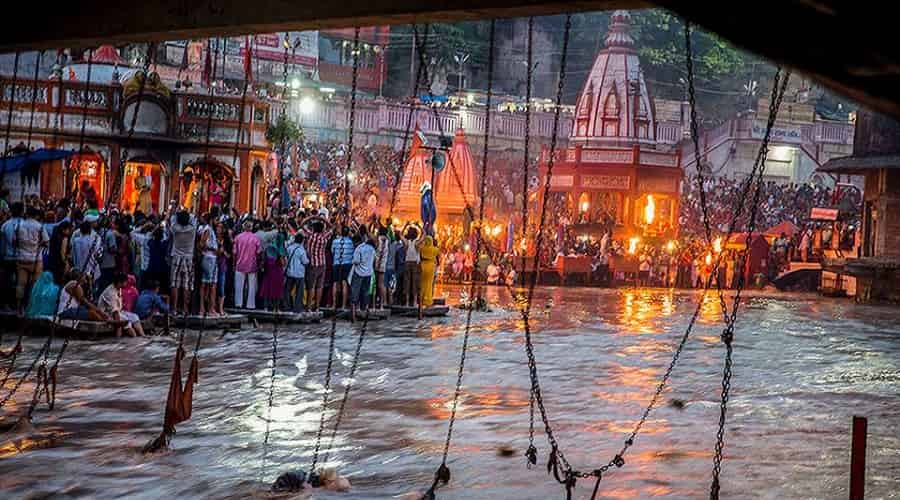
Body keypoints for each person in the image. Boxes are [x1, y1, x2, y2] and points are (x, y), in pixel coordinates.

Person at [13, 206, 49, 313]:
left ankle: (19, 307)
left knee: (21, 284)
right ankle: (31, 307)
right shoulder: (39, 226)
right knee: (34, 285)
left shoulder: (18, 225)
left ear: (26, 214)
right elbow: (47, 242)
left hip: (21, 258)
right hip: (36, 259)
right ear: (36, 215)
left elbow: (14, 242)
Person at [99, 272, 145, 337]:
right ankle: (133, 337)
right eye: (125, 282)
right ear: (120, 282)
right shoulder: (111, 293)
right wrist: (119, 324)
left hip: (119, 311)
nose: (126, 283)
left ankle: (143, 335)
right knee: (126, 320)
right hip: (107, 313)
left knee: (135, 316)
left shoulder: (118, 288)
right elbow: (115, 312)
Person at [301, 216, 332, 312]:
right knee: (319, 286)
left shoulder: (310, 235)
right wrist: (323, 220)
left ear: (313, 228)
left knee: (311, 286)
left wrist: (312, 217)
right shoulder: (324, 237)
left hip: (312, 264)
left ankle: (309, 307)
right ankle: (317, 307)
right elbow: (331, 227)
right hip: (322, 264)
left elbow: (302, 224)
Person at [169, 210, 197, 315]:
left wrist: (176, 214)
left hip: (176, 257)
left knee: (175, 284)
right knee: (187, 284)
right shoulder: (192, 229)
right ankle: (185, 309)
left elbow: (172, 220)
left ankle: (174, 308)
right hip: (188, 257)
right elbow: (193, 217)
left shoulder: (175, 229)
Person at [233, 221, 262, 310]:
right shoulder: (255, 238)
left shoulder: (238, 237)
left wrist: (234, 264)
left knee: (239, 285)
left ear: (243, 227)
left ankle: (238, 303)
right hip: (252, 265)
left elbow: (234, 252)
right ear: (251, 227)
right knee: (252, 286)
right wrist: (259, 263)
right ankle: (251, 305)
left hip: (240, 264)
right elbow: (259, 252)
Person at [349, 236, 376, 322]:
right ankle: (365, 313)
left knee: (354, 294)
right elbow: (374, 260)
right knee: (365, 293)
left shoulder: (359, 249)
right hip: (368, 273)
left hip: (359, 273)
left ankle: (353, 316)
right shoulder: (372, 249)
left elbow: (356, 261)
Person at [197, 213, 219, 316]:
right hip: (209, 258)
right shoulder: (208, 230)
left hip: (212, 258)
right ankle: (207, 308)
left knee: (211, 284)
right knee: (208, 284)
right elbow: (201, 244)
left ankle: (209, 308)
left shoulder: (209, 230)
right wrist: (212, 249)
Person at [260, 229, 287, 311]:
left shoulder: (267, 247)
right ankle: (276, 308)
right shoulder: (281, 248)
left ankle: (266, 307)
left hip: (268, 271)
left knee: (267, 288)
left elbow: (263, 259)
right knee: (277, 290)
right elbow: (283, 263)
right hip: (277, 271)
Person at [331, 225, 354, 310]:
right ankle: (343, 305)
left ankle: (334, 305)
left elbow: (332, 252)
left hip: (336, 263)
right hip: (347, 264)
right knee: (344, 283)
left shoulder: (335, 241)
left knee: (335, 283)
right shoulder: (351, 242)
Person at [284, 232, 309, 313]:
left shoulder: (289, 248)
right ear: (302, 241)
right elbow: (305, 262)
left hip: (289, 272)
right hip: (299, 274)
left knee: (287, 290)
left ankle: (287, 306)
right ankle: (297, 308)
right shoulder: (302, 250)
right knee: (299, 292)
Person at [402, 226, 422, 307]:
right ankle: (414, 302)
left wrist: (405, 226)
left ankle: (407, 302)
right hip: (415, 264)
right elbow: (424, 234)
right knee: (415, 283)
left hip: (407, 263)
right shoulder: (417, 243)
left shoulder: (407, 242)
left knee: (407, 283)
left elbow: (400, 234)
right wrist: (419, 226)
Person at [418, 236, 439, 307]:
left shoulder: (422, 248)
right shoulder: (435, 249)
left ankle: (421, 299)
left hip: (423, 265)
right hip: (431, 266)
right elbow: (438, 253)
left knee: (422, 283)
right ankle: (428, 301)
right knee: (429, 284)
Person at [374, 227, 390, 310]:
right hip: (383, 265)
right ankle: (382, 304)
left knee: (374, 285)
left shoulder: (378, 239)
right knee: (381, 285)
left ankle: (373, 304)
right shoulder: (387, 241)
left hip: (376, 264)